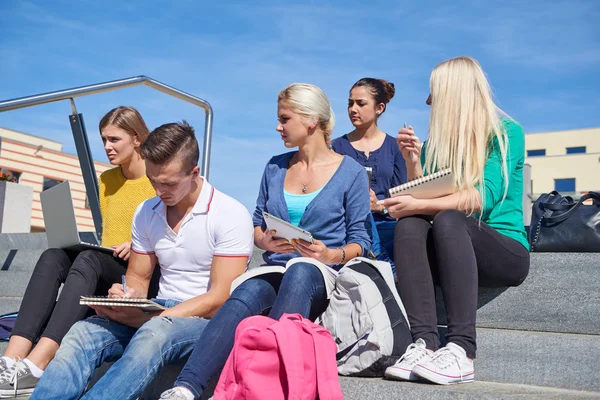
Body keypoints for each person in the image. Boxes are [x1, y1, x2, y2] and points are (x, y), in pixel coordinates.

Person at [160, 83, 371, 400]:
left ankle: (264, 388)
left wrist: (329, 254)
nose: (278, 126)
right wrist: (266, 242)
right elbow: (257, 226)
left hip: (321, 273)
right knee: (247, 291)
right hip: (275, 269)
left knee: (300, 272)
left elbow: (361, 241)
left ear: (310, 119)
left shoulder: (350, 172)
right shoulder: (275, 166)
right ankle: (184, 388)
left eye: (285, 119)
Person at [29, 121, 254, 400]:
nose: (159, 191)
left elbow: (219, 299)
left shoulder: (229, 213)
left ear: (194, 173)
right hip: (157, 310)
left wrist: (157, 317)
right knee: (81, 334)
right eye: (152, 181)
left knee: (155, 333)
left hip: (205, 321)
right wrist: (125, 296)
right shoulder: (147, 211)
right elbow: (139, 277)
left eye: (169, 183)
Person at [382, 56, 530, 385]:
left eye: (434, 92)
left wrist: (416, 202)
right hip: (452, 242)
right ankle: (424, 343)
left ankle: (462, 350)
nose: (428, 101)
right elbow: (426, 197)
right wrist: (413, 162)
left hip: (503, 248)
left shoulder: (506, 133)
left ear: (453, 93)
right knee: (410, 223)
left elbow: (482, 198)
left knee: (449, 219)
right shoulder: (437, 144)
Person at [0, 106, 157, 397]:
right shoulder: (107, 180)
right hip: (106, 261)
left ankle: (37, 365)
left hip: (142, 269)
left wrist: (138, 245)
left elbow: (174, 235)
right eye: (103, 140)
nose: (107, 147)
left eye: (114, 139)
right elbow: (110, 233)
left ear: (136, 139)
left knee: (88, 259)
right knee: (53, 256)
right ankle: (11, 359)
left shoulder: (157, 178)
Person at [331, 78, 407, 273]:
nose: (352, 109)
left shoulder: (395, 148)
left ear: (379, 108)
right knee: (359, 206)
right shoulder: (336, 147)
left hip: (388, 226)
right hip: (349, 229)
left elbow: (403, 195)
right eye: (350, 103)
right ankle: (381, 259)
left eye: (360, 103)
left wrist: (379, 206)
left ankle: (381, 257)